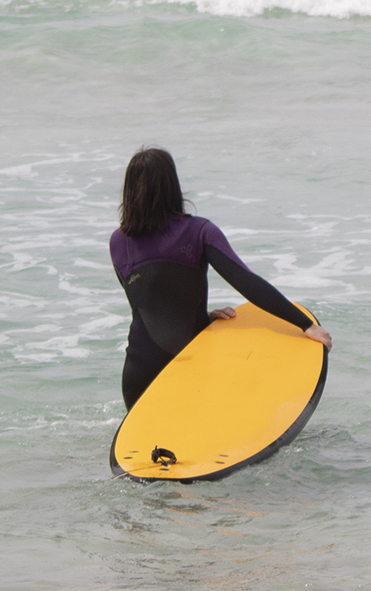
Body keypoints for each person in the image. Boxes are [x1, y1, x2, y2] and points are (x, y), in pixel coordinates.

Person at [109, 148, 331, 410]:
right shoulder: (198, 231)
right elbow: (246, 282)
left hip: (139, 376)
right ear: (171, 186)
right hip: (188, 368)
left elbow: (148, 304)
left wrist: (200, 318)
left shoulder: (118, 242)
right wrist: (305, 324)